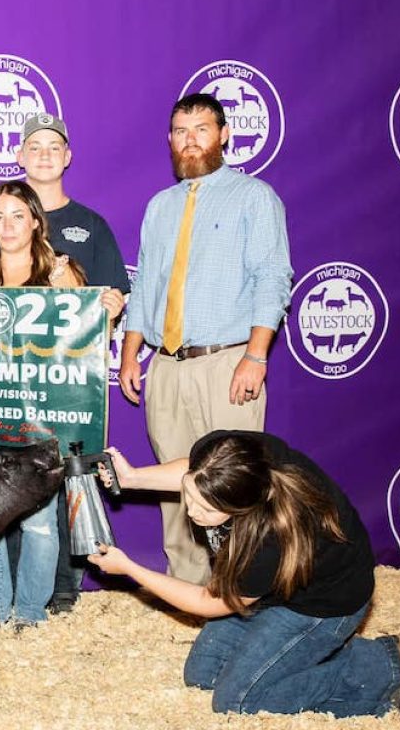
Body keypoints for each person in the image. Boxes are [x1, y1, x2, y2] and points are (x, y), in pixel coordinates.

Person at [88, 430, 400, 717]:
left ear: (242, 507)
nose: (191, 511)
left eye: (207, 508)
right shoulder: (237, 457)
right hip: (276, 590)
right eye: (190, 496)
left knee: (238, 701)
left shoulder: (268, 543)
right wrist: (134, 477)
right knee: (203, 675)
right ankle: (292, 657)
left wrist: (130, 569)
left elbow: (208, 601)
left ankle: (383, 666)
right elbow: (197, 470)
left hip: (325, 604)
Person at [118, 93, 292, 586]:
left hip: (226, 361)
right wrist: (133, 353)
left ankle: (246, 589)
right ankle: (188, 590)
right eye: (180, 131)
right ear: (170, 140)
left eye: (201, 129)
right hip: (166, 366)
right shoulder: (160, 206)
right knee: (177, 487)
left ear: (224, 134)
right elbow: (147, 283)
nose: (190, 140)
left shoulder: (254, 197)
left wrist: (255, 355)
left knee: (236, 484)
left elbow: (272, 278)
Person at [0, 181, 122, 638]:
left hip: (42, 421)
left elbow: (89, 339)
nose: (8, 226)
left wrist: (104, 309)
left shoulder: (60, 273)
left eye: (17, 215)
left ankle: (30, 611)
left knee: (42, 524)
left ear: (35, 220)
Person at [15, 112, 130, 612]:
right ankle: (18, 583)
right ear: (20, 157)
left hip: (70, 377)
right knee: (13, 477)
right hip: (13, 376)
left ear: (67, 156)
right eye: (33, 145)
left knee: (69, 476)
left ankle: (64, 584)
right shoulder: (5, 217)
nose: (43, 153)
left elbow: (113, 295)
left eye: (53, 146)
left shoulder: (90, 225)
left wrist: (109, 306)